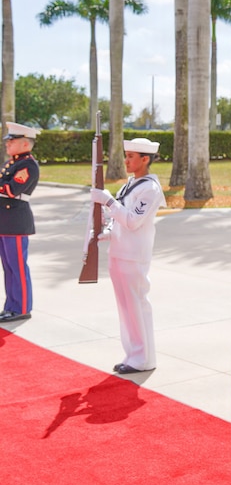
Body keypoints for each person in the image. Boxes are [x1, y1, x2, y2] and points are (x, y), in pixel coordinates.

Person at [89, 137, 166, 374]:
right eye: (127, 155)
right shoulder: (130, 184)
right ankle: (133, 355)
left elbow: (132, 221)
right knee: (125, 308)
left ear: (145, 159)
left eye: (131, 156)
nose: (127, 160)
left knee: (136, 306)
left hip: (134, 255)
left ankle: (143, 358)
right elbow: (119, 220)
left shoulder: (150, 189)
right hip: (120, 252)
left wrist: (108, 200)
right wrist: (108, 232)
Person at [0, 122, 40, 322]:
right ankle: (10, 305)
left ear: (25, 144)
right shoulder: (11, 163)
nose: (7, 144)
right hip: (5, 221)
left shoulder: (28, 165)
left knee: (17, 267)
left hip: (15, 220)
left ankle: (22, 307)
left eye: (12, 141)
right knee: (8, 267)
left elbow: (11, 190)